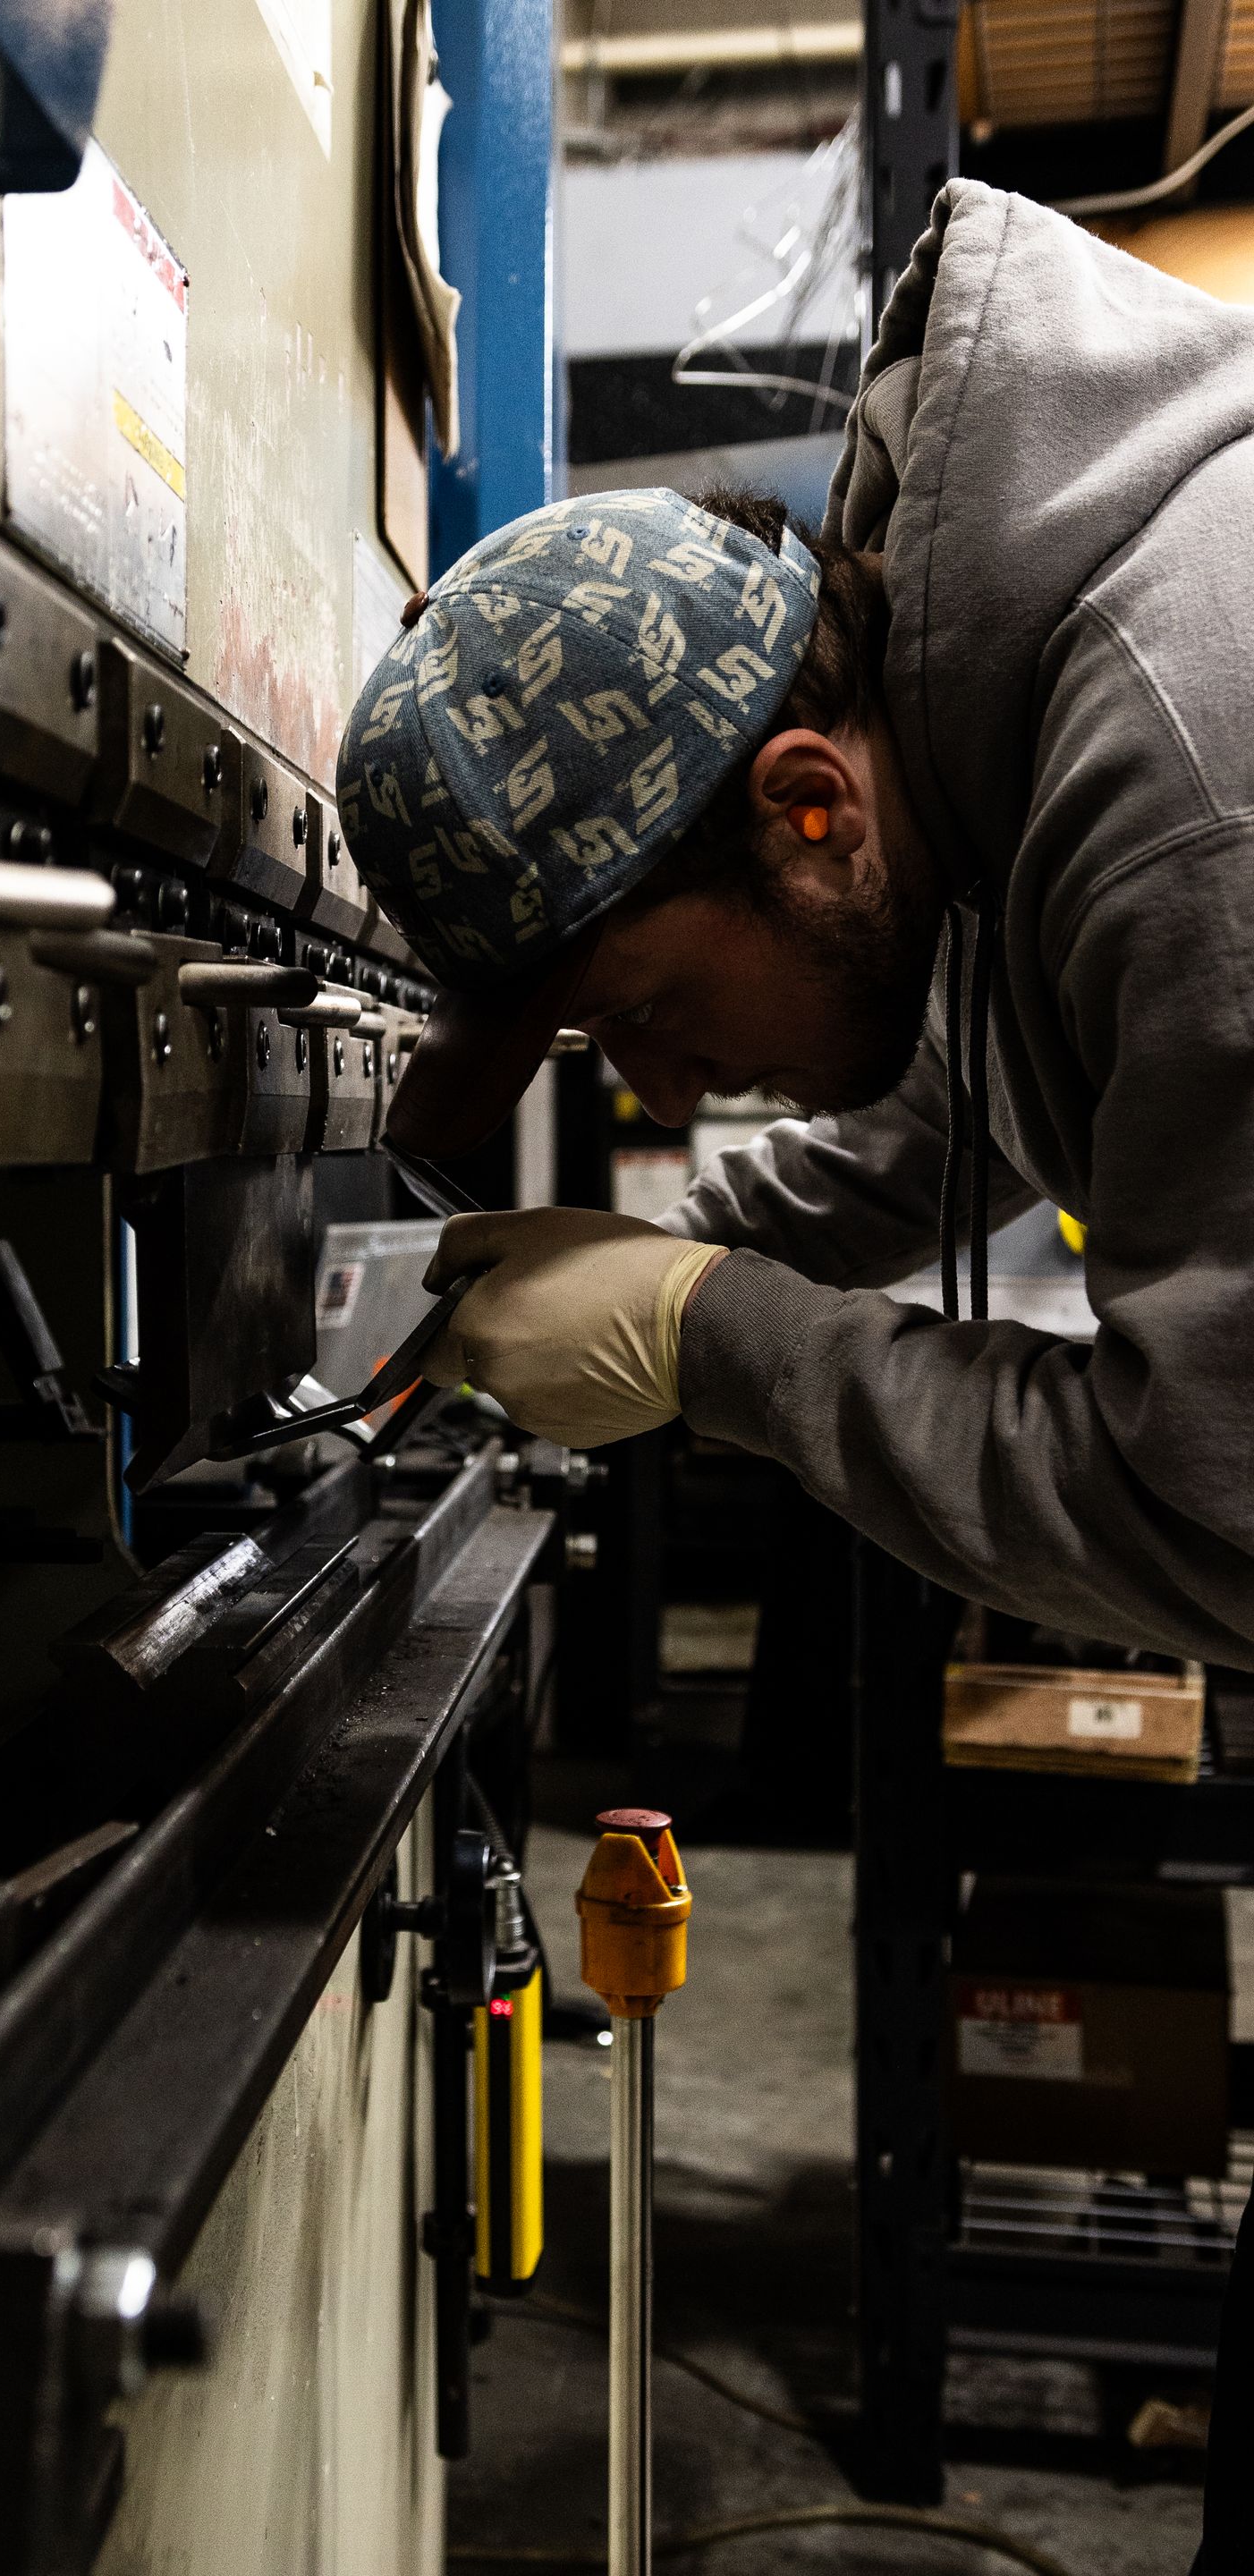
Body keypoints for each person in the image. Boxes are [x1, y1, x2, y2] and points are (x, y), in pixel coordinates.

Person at [336, 176, 1254, 2571]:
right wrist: (633, 1252)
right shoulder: (991, 721)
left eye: (642, 1016)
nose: (645, 1072)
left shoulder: (1190, 769)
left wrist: (705, 1343)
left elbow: (1217, 1508)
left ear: (805, 808)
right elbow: (954, 1096)